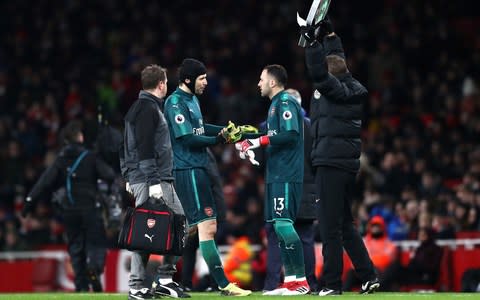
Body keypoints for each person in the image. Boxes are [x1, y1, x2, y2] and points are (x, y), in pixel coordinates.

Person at [301, 18, 379, 296]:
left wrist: (311, 43)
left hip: (330, 164)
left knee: (330, 228)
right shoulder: (348, 87)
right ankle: (369, 276)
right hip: (345, 166)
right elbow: (336, 60)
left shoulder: (330, 88)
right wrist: (330, 35)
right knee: (344, 225)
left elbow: (320, 73)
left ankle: (331, 285)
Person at [163, 58, 251, 296]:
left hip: (198, 167)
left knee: (192, 229)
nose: (205, 82)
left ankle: (161, 276)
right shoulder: (175, 103)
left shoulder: (192, 100)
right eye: (201, 78)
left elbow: (201, 128)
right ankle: (223, 284)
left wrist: (232, 131)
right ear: (188, 80)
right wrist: (219, 140)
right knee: (206, 227)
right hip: (187, 169)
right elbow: (187, 139)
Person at [236, 65, 310, 295]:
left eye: (261, 79)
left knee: (283, 224)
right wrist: (245, 140)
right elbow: (273, 136)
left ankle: (301, 282)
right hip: (277, 174)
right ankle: (291, 280)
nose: (258, 83)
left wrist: (257, 142)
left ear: (273, 82)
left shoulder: (285, 102)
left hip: (286, 174)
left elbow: (290, 134)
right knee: (279, 227)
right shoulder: (274, 106)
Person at [22, 120, 116, 292]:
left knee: (75, 247)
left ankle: (80, 286)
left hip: (70, 210)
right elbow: (109, 175)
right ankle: (94, 268)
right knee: (96, 243)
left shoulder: (60, 159)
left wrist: (29, 202)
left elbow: (44, 182)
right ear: (79, 137)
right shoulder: (89, 156)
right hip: (90, 208)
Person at [121, 64, 189, 299]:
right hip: (154, 178)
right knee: (178, 225)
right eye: (166, 82)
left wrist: (128, 174)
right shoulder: (147, 109)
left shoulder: (137, 108)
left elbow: (124, 147)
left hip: (145, 177)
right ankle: (151, 281)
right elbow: (145, 147)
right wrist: (152, 182)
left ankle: (154, 281)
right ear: (161, 84)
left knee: (151, 228)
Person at [262, 88, 318, 293]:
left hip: (283, 182)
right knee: (304, 237)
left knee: (279, 231)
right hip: (308, 187)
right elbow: (317, 159)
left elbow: (263, 158)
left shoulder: (270, 125)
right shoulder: (312, 127)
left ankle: (290, 282)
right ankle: (303, 283)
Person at [343, 216, 398, 291]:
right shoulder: (363, 242)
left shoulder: (389, 243)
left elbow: (388, 259)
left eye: (378, 226)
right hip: (365, 270)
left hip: (380, 271)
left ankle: (377, 287)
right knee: (352, 272)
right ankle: (344, 291)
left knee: (391, 268)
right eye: (373, 226)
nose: (375, 228)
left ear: (382, 227)